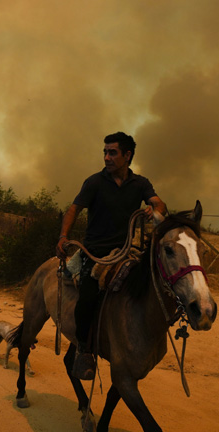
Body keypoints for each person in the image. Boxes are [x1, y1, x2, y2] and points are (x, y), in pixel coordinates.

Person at [56, 132, 167, 380]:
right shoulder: (94, 182)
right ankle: (84, 349)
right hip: (94, 253)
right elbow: (74, 209)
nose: (106, 157)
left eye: (112, 152)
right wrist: (63, 236)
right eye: (105, 152)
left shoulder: (140, 183)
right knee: (87, 297)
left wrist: (152, 208)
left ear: (127, 156)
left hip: (126, 251)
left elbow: (160, 205)